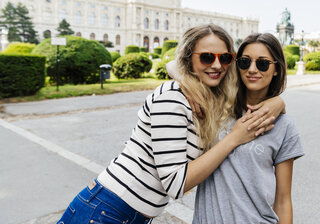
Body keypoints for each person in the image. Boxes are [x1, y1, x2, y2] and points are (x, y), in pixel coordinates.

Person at [57, 25, 284, 224]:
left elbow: (177, 66)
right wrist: (234, 138)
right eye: (206, 57)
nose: (217, 65)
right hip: (106, 209)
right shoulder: (172, 98)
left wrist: (278, 102)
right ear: (188, 59)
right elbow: (176, 184)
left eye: (225, 58)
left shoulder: (208, 98)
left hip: (125, 212)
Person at [192, 33, 304, 224]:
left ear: (276, 69)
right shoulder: (215, 105)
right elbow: (177, 68)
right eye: (245, 62)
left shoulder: (284, 126)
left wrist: (279, 102)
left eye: (262, 63)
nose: (252, 70)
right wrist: (279, 101)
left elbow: (283, 200)